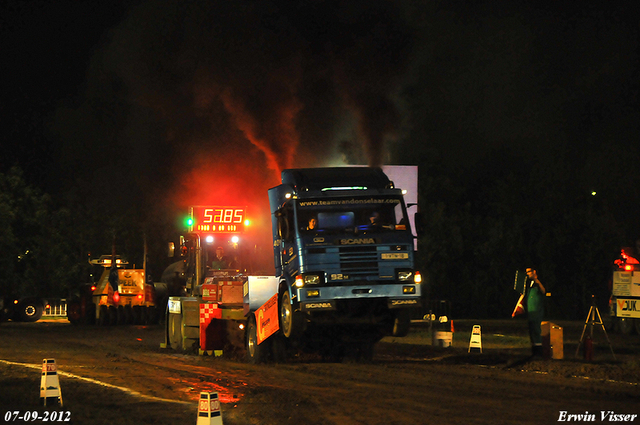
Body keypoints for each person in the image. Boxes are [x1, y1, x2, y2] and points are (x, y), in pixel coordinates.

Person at [525, 267, 546, 357]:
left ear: (534, 272)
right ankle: (534, 349)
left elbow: (543, 291)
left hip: (537, 311)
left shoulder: (538, 283)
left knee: (537, 330)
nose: (527, 274)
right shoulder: (529, 284)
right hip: (530, 311)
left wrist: (536, 280)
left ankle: (539, 351)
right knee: (532, 330)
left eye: (529, 272)